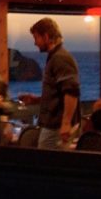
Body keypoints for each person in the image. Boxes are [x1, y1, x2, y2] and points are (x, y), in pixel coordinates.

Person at [29, 17, 80, 149]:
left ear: (46, 36)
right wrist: (37, 100)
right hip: (53, 125)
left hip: (56, 126)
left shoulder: (60, 58)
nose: (35, 43)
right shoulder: (55, 57)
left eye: (36, 38)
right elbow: (60, 93)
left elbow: (71, 92)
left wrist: (66, 123)